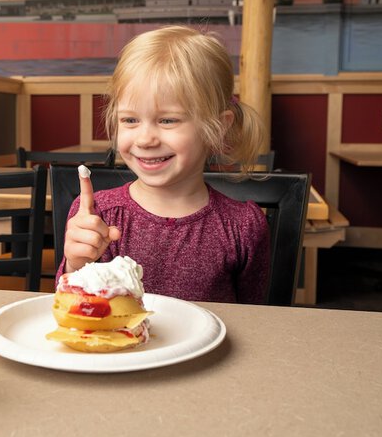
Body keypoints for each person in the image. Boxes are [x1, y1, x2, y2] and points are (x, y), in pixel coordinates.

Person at [57, 25, 269, 303]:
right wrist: (75, 265)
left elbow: (258, 321)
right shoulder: (96, 215)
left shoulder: (243, 227)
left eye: (168, 120)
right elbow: (69, 307)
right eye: (130, 120)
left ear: (218, 127)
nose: (144, 139)